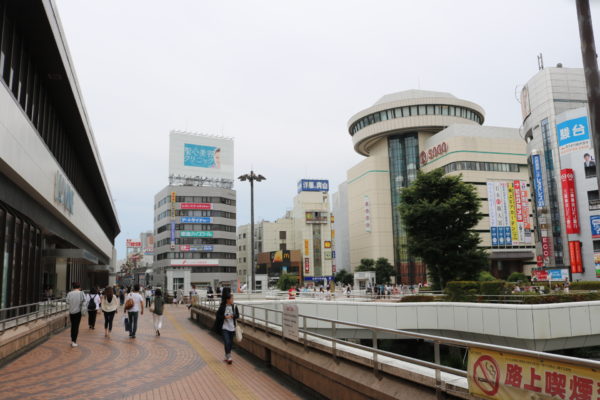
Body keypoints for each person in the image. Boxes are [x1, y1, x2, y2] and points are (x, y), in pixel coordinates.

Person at [213, 292, 239, 364]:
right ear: (228, 299)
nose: (233, 300)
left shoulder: (234, 306)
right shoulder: (222, 307)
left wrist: (234, 316)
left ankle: (227, 354)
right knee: (227, 342)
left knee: (230, 343)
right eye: (232, 298)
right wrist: (225, 317)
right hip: (224, 328)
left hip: (232, 327)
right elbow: (217, 316)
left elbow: (238, 315)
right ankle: (229, 356)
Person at [66, 282, 86, 347]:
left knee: (73, 326)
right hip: (78, 312)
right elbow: (85, 301)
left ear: (73, 287)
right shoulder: (81, 293)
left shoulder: (69, 293)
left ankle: (72, 339)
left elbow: (67, 301)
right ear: (79, 287)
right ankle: (74, 341)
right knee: (76, 326)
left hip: (71, 311)